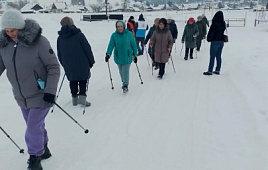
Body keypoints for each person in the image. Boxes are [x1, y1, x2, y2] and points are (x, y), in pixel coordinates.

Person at [0, 9, 60, 170]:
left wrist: (50, 90)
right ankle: (44, 148)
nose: (10, 33)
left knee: (32, 127)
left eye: (13, 30)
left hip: (41, 94)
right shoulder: (4, 45)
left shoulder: (39, 42)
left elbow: (54, 66)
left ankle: (35, 158)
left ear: (20, 27)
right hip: (21, 96)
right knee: (35, 125)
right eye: (6, 30)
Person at [57, 17, 95, 106]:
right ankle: (82, 98)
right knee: (83, 79)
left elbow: (59, 53)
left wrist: (63, 63)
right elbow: (87, 49)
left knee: (72, 80)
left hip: (68, 64)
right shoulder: (79, 35)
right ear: (72, 24)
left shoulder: (60, 38)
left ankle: (74, 99)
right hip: (82, 62)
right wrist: (91, 61)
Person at [105, 21, 138, 93]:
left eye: (121, 26)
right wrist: (108, 54)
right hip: (118, 57)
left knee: (125, 71)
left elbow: (134, 45)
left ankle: (125, 85)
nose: (120, 28)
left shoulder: (129, 34)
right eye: (118, 27)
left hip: (127, 56)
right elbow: (111, 45)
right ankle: (124, 82)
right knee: (121, 72)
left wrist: (135, 54)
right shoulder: (114, 35)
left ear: (123, 26)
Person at [203, 11, 226, 76]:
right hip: (221, 41)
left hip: (214, 42)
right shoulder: (223, 23)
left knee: (212, 57)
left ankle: (210, 71)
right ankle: (217, 70)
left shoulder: (214, 24)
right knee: (218, 56)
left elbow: (211, 33)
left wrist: (208, 39)